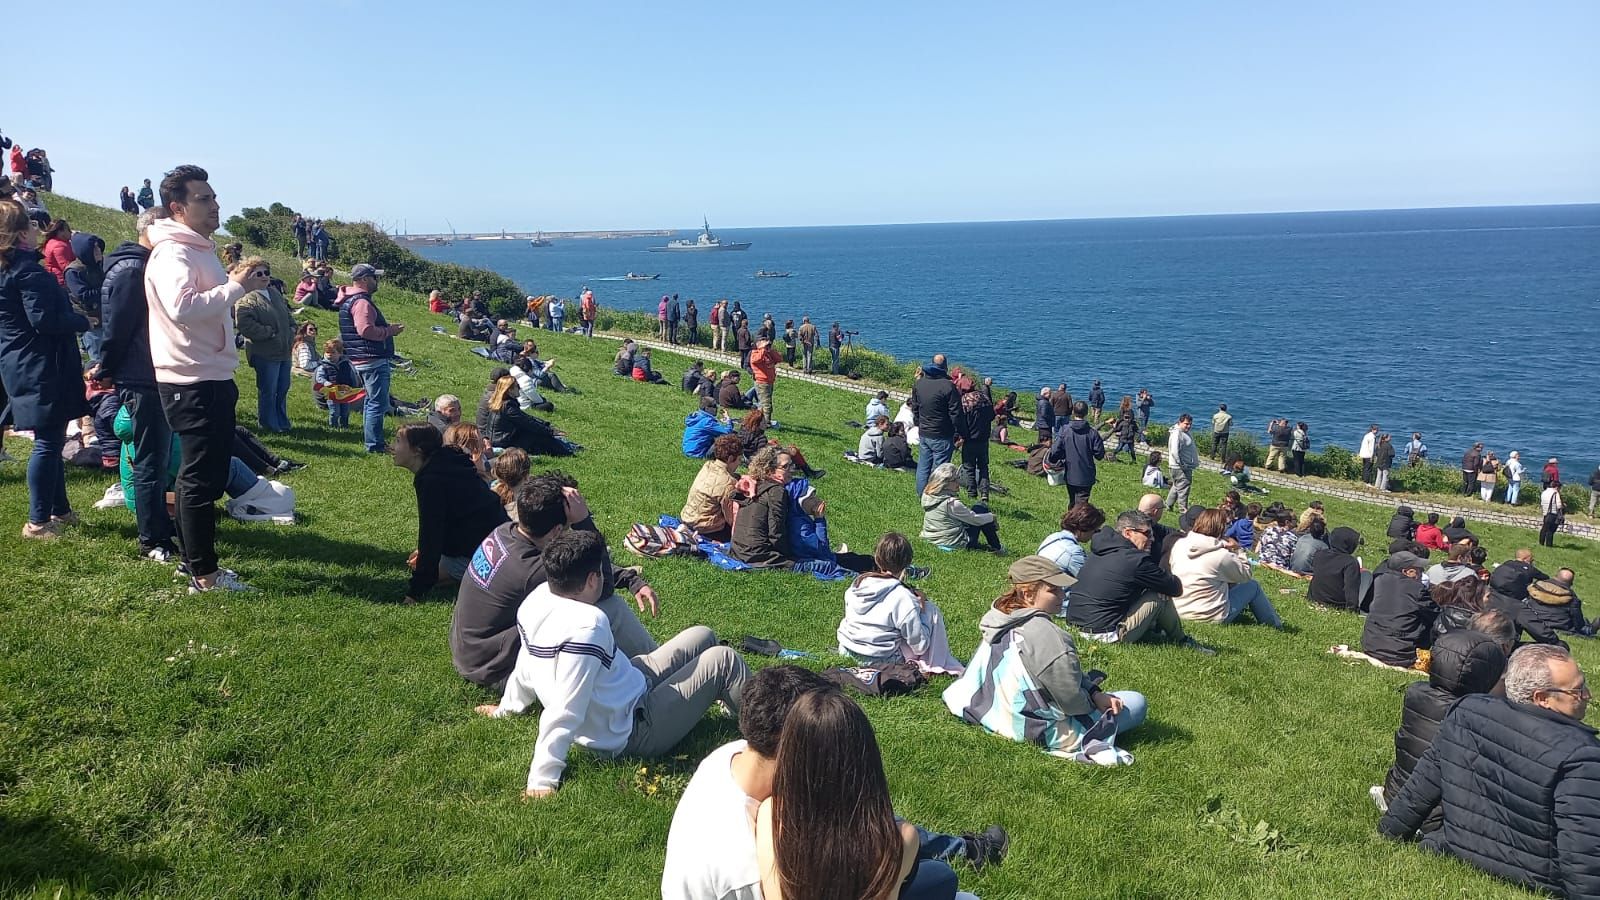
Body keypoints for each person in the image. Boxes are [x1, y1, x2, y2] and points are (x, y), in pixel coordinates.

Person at [662, 665, 1003, 900]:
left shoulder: (733, 757)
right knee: (940, 878)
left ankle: (960, 848)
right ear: (796, 746)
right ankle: (964, 851)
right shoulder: (747, 860)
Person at [478, 530, 748, 799]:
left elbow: (527, 663)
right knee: (724, 660)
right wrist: (542, 780)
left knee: (703, 634)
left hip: (630, 685)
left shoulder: (535, 600)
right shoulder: (587, 626)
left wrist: (508, 707)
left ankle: (731, 705)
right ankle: (772, 730)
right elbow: (566, 708)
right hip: (632, 729)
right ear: (593, 579)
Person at [1378, 645, 1600, 898]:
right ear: (1541, 698)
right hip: (1539, 877)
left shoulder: (1468, 712)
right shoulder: (1583, 755)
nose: (1588, 695)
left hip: (1458, 848)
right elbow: (1582, 846)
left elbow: (1423, 785)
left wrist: (1389, 833)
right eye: (1577, 690)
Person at [143, 166, 270, 590]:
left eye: (214, 197)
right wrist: (235, 287)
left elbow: (204, 307)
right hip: (189, 380)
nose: (215, 205)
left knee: (209, 475)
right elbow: (183, 307)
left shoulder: (199, 249)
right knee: (199, 479)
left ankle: (196, 563)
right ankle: (204, 574)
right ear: (178, 208)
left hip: (210, 374)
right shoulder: (172, 253)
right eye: (204, 199)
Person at [452, 474, 660, 690]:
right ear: (556, 532)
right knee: (608, 608)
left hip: (474, 651)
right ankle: (659, 669)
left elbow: (574, 565)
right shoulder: (532, 571)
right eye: (569, 527)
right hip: (495, 668)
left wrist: (629, 579)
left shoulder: (505, 532)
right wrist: (583, 522)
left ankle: (648, 666)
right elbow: (601, 586)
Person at [944, 555, 1148, 764]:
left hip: (986, 706)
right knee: (1136, 702)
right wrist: (1093, 701)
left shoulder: (998, 616)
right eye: (1053, 590)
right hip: (1030, 726)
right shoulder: (1048, 635)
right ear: (1028, 594)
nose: (1062, 595)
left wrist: (1094, 692)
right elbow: (1072, 702)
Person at [0, 201, 92, 539]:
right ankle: (38, 522)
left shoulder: (7, 269)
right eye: (33, 225)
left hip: (19, 360)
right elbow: (45, 320)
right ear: (22, 232)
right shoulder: (28, 271)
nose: (39, 228)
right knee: (47, 442)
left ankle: (60, 510)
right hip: (40, 362)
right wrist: (84, 320)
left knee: (49, 437)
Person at [92, 207, 176, 558]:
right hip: (141, 375)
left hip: (146, 371)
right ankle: (152, 538)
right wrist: (107, 369)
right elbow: (119, 329)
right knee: (149, 460)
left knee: (156, 458)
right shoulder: (132, 270)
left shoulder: (139, 266)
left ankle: (159, 526)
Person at [1374, 630, 1508, 823]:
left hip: (1396, 792)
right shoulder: (1477, 715)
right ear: (1485, 677)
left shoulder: (1416, 693)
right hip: (1439, 818)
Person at [391, 423, 507, 604]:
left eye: (398, 441)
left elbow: (431, 533)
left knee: (428, 567)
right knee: (419, 559)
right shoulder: (443, 464)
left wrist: (415, 592)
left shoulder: (433, 479)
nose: (392, 447)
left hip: (490, 554)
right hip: (497, 540)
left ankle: (464, 575)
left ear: (417, 450)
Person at [1065, 510, 1207, 650]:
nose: (1152, 539)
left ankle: (1154, 630)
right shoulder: (1136, 560)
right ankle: (1182, 640)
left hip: (1073, 627)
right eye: (1147, 534)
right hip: (1103, 635)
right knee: (1158, 595)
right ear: (1128, 533)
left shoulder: (1100, 550)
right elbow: (1175, 588)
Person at [836, 532, 956, 670]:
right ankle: (937, 661)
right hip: (879, 659)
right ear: (908, 563)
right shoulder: (903, 598)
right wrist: (922, 611)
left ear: (877, 558)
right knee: (931, 610)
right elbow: (920, 646)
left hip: (846, 650)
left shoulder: (858, 584)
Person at [1169, 509, 1284, 628]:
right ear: (1221, 529)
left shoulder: (1180, 544)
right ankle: (1275, 625)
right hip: (1207, 616)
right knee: (1252, 586)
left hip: (1178, 609)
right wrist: (1238, 550)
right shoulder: (1221, 556)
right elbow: (1246, 574)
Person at [335, 263, 402, 452]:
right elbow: (365, 330)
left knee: (371, 401)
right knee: (376, 403)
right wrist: (390, 331)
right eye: (374, 277)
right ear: (364, 279)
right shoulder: (361, 302)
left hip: (360, 357)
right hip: (371, 358)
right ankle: (374, 444)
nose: (377, 281)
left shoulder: (350, 299)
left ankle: (372, 441)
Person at [231, 258, 295, 434]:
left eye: (266, 272)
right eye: (259, 273)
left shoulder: (274, 292)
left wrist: (292, 329)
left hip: (284, 350)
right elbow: (245, 325)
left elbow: (286, 315)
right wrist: (269, 333)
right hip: (265, 353)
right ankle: (268, 423)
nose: (264, 276)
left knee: (282, 388)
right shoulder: (245, 297)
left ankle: (282, 421)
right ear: (249, 276)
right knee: (268, 390)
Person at [1360, 551, 1438, 669]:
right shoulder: (1417, 589)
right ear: (1406, 572)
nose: (1421, 574)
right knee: (1432, 622)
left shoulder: (1379, 580)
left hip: (1371, 646)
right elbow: (1436, 614)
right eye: (1419, 570)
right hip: (1399, 654)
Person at [481, 376, 576, 457]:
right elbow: (528, 423)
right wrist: (550, 431)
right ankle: (568, 453)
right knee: (539, 435)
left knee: (537, 432)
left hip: (498, 439)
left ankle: (567, 448)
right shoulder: (508, 407)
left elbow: (526, 418)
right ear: (509, 390)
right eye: (517, 386)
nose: (520, 388)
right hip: (505, 442)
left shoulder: (499, 403)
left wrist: (545, 424)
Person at [909, 354, 962, 495]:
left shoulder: (919, 383)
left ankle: (922, 496)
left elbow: (915, 407)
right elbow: (956, 413)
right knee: (939, 470)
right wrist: (960, 432)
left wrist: (919, 423)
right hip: (942, 434)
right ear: (945, 367)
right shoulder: (949, 386)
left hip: (925, 431)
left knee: (923, 467)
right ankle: (934, 497)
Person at [920, 463, 1002, 554]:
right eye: (955, 480)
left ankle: (995, 547)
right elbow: (975, 519)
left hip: (930, 537)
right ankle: (997, 547)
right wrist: (991, 517)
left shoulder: (928, 496)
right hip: (953, 542)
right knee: (980, 508)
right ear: (945, 483)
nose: (958, 482)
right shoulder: (951, 504)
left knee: (979, 511)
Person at [681, 434, 743, 541]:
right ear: (730, 458)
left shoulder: (707, 466)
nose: (739, 463)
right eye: (738, 459)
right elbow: (730, 518)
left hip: (687, 517)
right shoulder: (728, 483)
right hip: (705, 528)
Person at [1047, 400, 1105, 508]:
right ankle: (1076, 522)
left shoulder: (1065, 430)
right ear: (1087, 413)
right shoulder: (1093, 433)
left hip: (1070, 472)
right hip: (1087, 473)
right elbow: (1100, 455)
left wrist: (1057, 459)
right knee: (1082, 504)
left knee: (1073, 500)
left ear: (1073, 412)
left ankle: (1070, 520)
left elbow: (1055, 451)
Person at [1520, 570, 1588, 648]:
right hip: (1560, 626)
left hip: (1533, 620)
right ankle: (1591, 628)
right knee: (1585, 626)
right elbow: (1578, 622)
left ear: (1555, 576)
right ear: (1571, 583)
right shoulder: (1572, 599)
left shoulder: (1536, 587)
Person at [1307, 526, 1368, 611]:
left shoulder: (1319, 554)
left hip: (1315, 598)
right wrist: (1352, 609)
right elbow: (1351, 589)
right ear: (1349, 544)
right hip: (1336, 604)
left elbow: (1317, 577)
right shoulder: (1350, 562)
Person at [1037, 502, 1103, 580]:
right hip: (1053, 588)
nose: (1094, 535)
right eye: (1095, 531)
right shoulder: (1073, 552)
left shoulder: (1053, 537)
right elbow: (1089, 580)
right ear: (1085, 528)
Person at [1165, 413, 1198, 512]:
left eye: (1190, 424)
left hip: (1183, 465)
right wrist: (1181, 464)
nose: (1188, 426)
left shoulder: (1184, 432)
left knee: (1177, 485)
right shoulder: (1177, 434)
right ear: (1180, 422)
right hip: (1180, 467)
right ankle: (1183, 510)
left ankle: (1168, 505)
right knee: (1184, 487)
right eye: (1186, 424)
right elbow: (1174, 451)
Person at [750, 337, 778, 423]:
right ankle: (766, 423)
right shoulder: (755, 353)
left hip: (769, 381)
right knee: (766, 404)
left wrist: (770, 350)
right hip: (762, 382)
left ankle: (758, 420)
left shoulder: (768, 353)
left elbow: (779, 358)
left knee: (763, 403)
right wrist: (762, 348)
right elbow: (756, 360)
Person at [1539, 480, 1563, 547]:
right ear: (1556, 487)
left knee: (1544, 528)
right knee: (1551, 530)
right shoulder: (1555, 493)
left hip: (1545, 513)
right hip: (1553, 513)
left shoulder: (1544, 492)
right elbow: (1559, 505)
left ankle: (1541, 542)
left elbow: (1542, 503)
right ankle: (1549, 545)